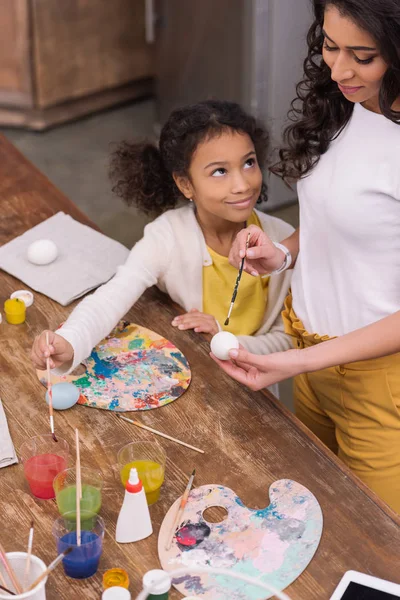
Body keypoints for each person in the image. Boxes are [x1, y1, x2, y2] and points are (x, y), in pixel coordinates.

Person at [212, 0, 400, 513]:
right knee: (320, 514)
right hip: (310, 358)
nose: (338, 70)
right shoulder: (349, 105)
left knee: (379, 549)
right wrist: (285, 254)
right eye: (330, 46)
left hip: (379, 385)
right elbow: (342, 223)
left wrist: (296, 360)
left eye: (363, 56)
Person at [31, 99, 294, 380]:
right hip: (188, 376)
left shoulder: (283, 243)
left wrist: (226, 340)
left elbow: (288, 338)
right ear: (185, 184)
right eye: (220, 171)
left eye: (249, 162)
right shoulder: (167, 237)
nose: (242, 184)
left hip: (255, 386)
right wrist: (70, 341)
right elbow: (112, 297)